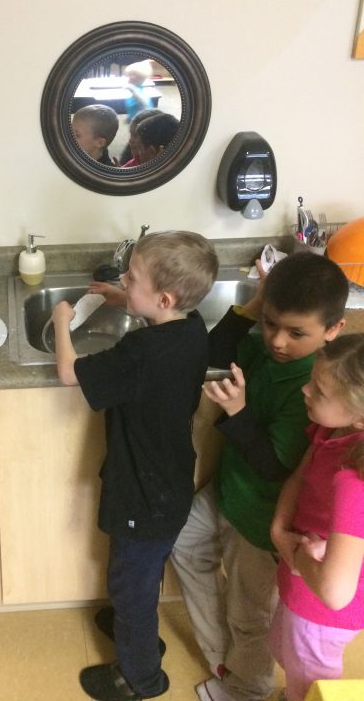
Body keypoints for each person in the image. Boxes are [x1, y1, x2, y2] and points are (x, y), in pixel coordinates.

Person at [169, 252, 349, 701]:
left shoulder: (317, 389)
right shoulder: (270, 352)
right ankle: (225, 658)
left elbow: (276, 466)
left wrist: (238, 413)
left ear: (333, 330)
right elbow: (214, 352)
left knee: (249, 613)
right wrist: (253, 307)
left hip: (260, 520)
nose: (278, 341)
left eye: (296, 332)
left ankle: (248, 687)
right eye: (270, 324)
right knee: (183, 541)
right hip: (231, 491)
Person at [52, 231, 219, 701]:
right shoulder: (190, 327)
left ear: (164, 299)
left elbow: (68, 372)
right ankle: (134, 624)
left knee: (132, 587)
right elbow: (156, 321)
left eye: (132, 277)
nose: (123, 279)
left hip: (143, 497)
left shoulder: (140, 353)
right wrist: (122, 297)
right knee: (138, 573)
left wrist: (62, 322)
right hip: (168, 484)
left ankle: (141, 677)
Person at [269, 334, 364, 701]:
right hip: (301, 585)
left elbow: (334, 594)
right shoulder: (335, 428)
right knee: (285, 653)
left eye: (319, 391)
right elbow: (302, 474)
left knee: (310, 685)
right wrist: (279, 530)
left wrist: (297, 556)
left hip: (320, 612)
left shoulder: (354, 482)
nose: (305, 390)